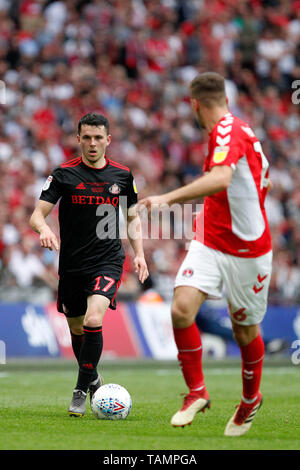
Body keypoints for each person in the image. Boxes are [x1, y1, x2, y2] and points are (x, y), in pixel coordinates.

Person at [139, 72, 272, 437]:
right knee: (181, 309)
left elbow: (220, 180)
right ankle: (196, 392)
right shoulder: (235, 132)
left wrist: (166, 199)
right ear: (225, 99)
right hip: (211, 238)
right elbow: (263, 177)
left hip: (248, 251)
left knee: (245, 332)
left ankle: (250, 399)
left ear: (195, 104)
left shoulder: (228, 131)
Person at [30, 113, 148, 417]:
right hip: (72, 265)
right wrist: (44, 229)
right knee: (77, 328)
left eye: (99, 138)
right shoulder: (63, 175)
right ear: (78, 139)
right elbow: (36, 215)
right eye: (87, 137)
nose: (93, 143)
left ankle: (80, 392)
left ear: (108, 140)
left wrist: (139, 254)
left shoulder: (122, 176)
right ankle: (93, 377)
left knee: (94, 320)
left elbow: (132, 217)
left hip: (108, 260)